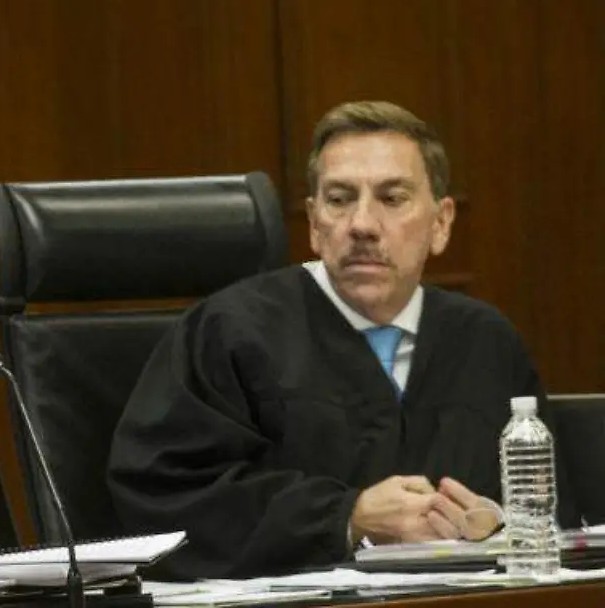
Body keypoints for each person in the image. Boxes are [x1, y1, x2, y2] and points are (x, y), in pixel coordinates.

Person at [106, 101, 579, 580]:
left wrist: (497, 527)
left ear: (441, 223)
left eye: (392, 198)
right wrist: (346, 518)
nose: (362, 225)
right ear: (314, 223)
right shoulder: (230, 332)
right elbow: (165, 499)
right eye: (339, 199)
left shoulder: (484, 341)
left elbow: (550, 512)